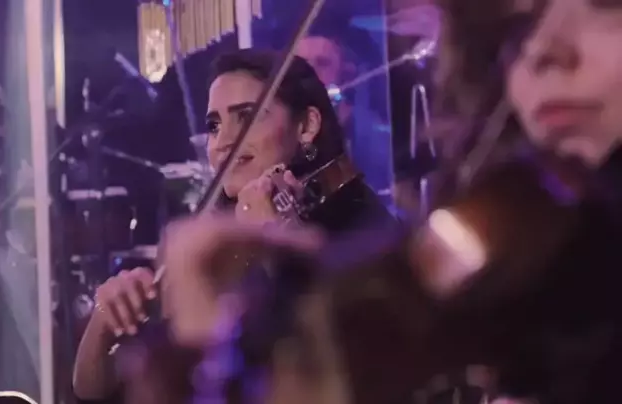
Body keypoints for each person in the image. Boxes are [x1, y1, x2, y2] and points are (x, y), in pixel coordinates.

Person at [154, 0, 622, 402]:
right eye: (518, 27)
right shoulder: (539, 232)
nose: (542, 52)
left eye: (603, 6)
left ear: (308, 125)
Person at [72, 48, 394, 403]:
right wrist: (105, 322)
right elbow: (95, 390)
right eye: (214, 125)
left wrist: (276, 253)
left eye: (247, 117)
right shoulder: (217, 233)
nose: (224, 141)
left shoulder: (361, 230)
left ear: (306, 126)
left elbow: (329, 375)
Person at [292, 17, 395, 199]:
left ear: (346, 73)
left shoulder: (378, 140)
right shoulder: (282, 136)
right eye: (302, 64)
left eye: (323, 63)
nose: (310, 74)